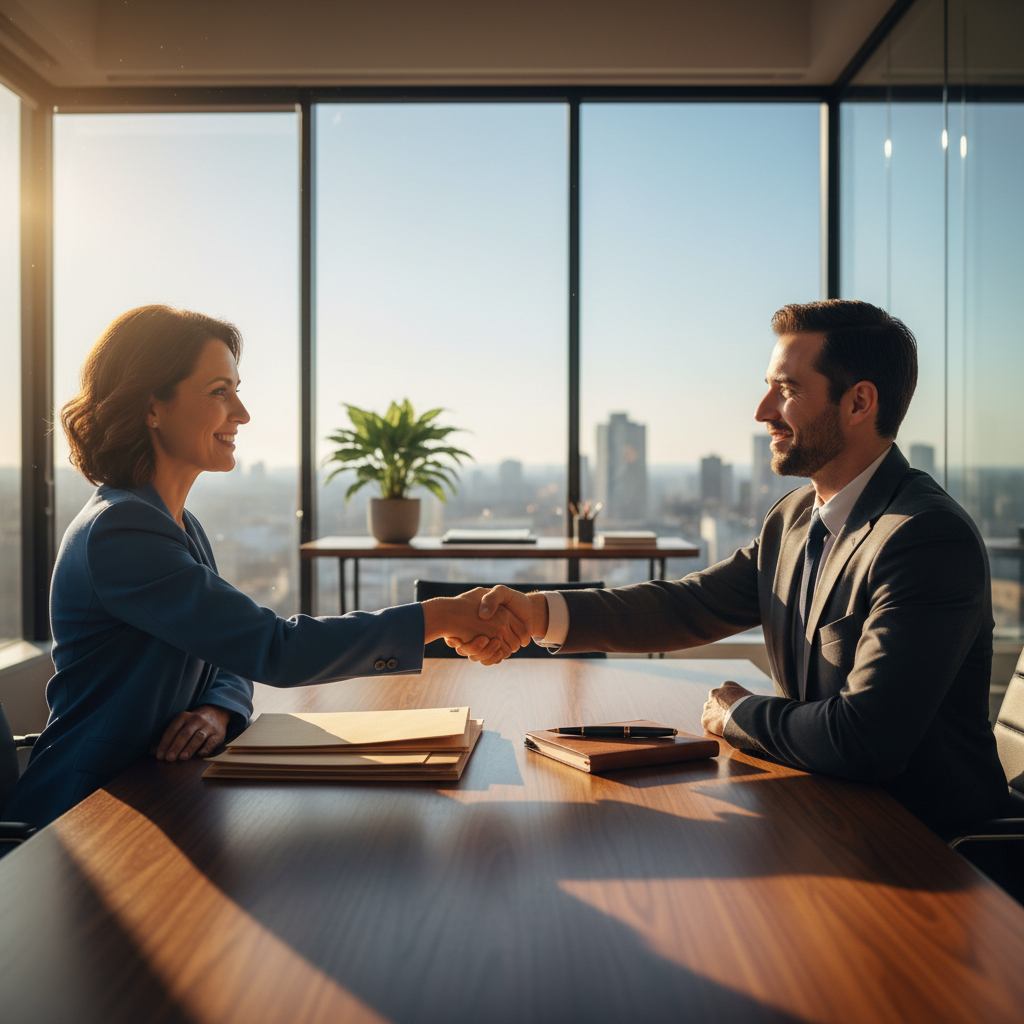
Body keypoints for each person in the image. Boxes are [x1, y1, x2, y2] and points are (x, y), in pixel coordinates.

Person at [455, 300, 1007, 836]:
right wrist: (535, 614)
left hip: (920, 851)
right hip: (820, 815)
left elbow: (865, 740)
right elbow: (688, 604)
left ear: (859, 403)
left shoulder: (925, 539)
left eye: (786, 390)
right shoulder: (792, 519)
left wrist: (740, 713)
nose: (762, 410)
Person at [3, 305, 528, 829]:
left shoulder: (175, 525)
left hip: (152, 802)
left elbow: (228, 657)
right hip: (75, 820)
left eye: (236, 388)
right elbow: (272, 649)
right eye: (218, 391)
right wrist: (437, 617)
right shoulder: (122, 533)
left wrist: (217, 711)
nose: (242, 412)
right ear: (151, 408)